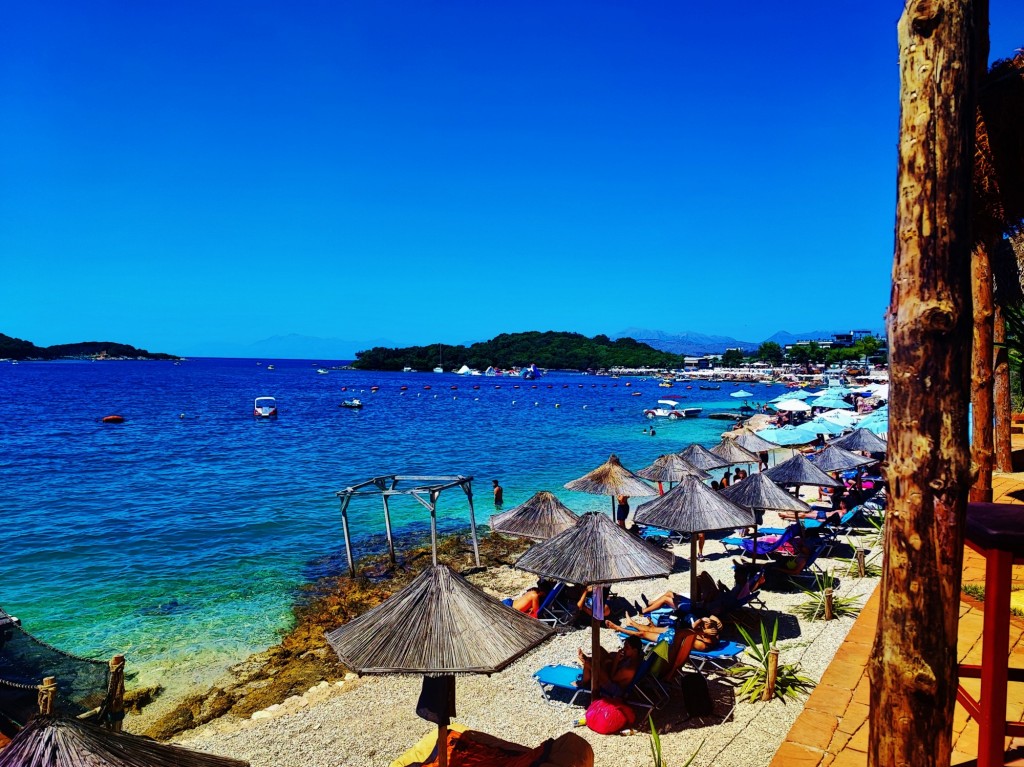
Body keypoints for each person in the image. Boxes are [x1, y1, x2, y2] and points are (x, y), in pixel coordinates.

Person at [577, 635, 643, 697]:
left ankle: (584, 683)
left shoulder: (629, 670)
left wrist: (616, 661)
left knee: (589, 663)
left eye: (626, 647)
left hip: (613, 687)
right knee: (598, 648)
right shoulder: (637, 656)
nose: (624, 649)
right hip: (615, 673)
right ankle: (590, 665)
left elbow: (612, 678)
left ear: (635, 650)